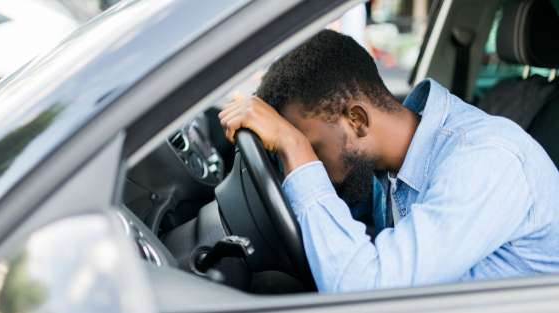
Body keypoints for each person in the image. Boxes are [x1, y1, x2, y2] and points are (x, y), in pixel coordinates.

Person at [218, 29, 559, 293]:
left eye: (315, 148)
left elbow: (364, 294)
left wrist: (295, 148)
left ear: (357, 120)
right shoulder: (391, 163)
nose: (313, 163)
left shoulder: (486, 161)